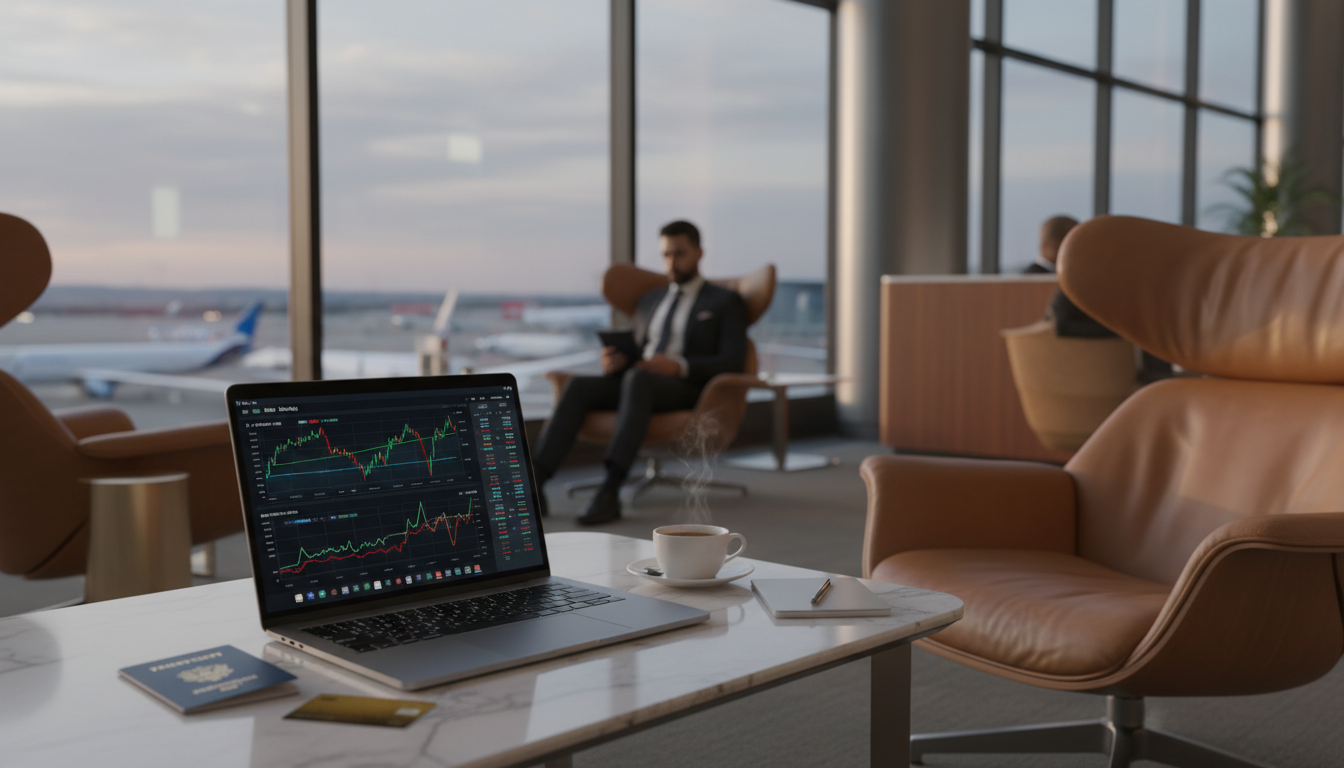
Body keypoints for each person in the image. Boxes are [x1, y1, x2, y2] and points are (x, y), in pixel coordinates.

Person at [530, 220, 749, 525]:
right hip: (638, 382)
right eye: (666, 255)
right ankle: (535, 483)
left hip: (686, 388)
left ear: (699, 253)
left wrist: (679, 366)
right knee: (579, 386)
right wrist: (616, 361)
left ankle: (609, 490)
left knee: (638, 380)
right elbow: (638, 349)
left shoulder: (724, 301)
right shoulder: (651, 300)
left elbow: (732, 361)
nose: (671, 262)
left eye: (679, 253)